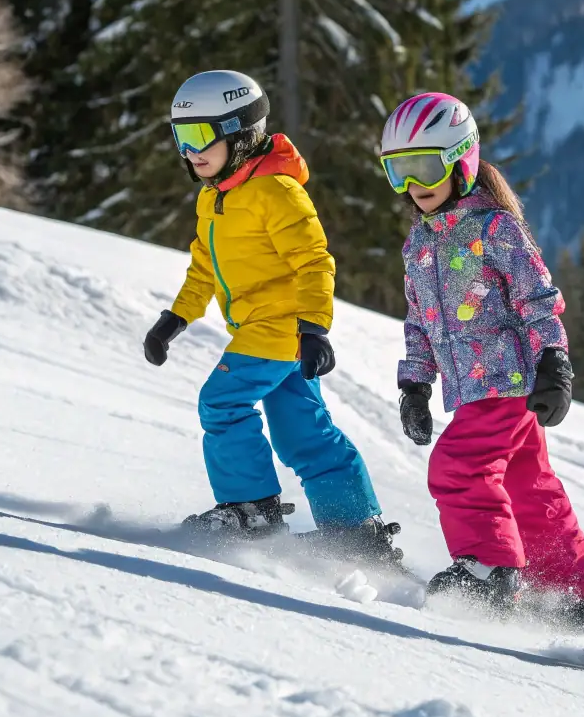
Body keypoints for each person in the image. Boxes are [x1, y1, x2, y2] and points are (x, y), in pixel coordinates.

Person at [143, 68, 400, 564]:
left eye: (199, 136)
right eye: (180, 137)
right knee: (302, 430)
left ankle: (250, 510)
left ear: (240, 133)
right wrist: (175, 319)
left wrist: (314, 327)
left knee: (221, 402)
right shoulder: (215, 196)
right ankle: (354, 528)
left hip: (281, 327)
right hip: (266, 328)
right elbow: (204, 266)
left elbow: (314, 261)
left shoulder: (277, 192)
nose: (190, 151)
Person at [382, 90, 584, 631]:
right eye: (398, 172)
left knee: (458, 467)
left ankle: (489, 569)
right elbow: (419, 321)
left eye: (422, 167)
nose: (414, 186)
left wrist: (554, 360)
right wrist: (415, 384)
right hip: (471, 389)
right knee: (528, 486)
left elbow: (539, 301)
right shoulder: (418, 243)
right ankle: (569, 595)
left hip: (508, 382)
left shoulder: (495, 229)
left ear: (460, 159)